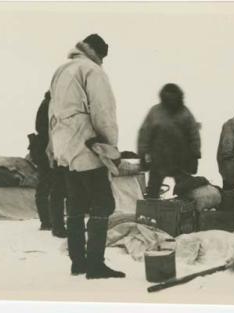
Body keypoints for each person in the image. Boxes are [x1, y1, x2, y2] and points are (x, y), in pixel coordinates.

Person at [48, 34, 125, 279]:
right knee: (102, 203)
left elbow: (52, 114)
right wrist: (110, 149)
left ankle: (78, 262)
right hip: (87, 147)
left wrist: (55, 149)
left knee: (76, 205)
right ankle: (95, 265)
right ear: (97, 53)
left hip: (65, 150)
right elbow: (103, 112)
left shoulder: (62, 70)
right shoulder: (92, 70)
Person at [137, 83, 201, 198]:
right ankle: (151, 213)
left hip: (181, 161)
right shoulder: (155, 112)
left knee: (185, 192)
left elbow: (194, 135)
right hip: (159, 160)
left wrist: (195, 156)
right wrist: (142, 155)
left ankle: (183, 213)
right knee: (152, 193)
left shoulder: (185, 113)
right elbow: (144, 134)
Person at [28, 91, 67, 238]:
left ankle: (47, 221)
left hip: (43, 148)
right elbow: (44, 128)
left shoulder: (47, 103)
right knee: (48, 185)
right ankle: (47, 221)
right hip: (46, 148)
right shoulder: (51, 104)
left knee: (46, 185)